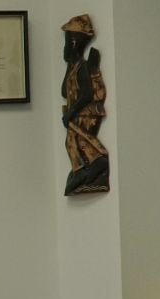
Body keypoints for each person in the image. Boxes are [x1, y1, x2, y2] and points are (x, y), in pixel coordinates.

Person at [60, 14, 109, 195]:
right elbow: (64, 92)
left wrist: (71, 112)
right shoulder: (74, 67)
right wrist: (67, 65)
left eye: (68, 42)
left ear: (74, 43)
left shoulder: (83, 67)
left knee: (80, 141)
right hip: (76, 113)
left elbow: (87, 94)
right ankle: (81, 170)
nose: (65, 47)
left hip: (85, 114)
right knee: (72, 142)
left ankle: (94, 162)